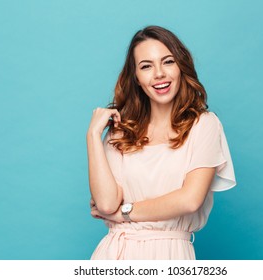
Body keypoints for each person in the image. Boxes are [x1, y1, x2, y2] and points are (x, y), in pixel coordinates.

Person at [87, 25, 236, 260]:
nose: (159, 74)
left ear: (180, 67)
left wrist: (124, 213)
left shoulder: (204, 125)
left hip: (171, 254)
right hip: (114, 255)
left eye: (167, 62)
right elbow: (106, 205)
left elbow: (190, 200)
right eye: (146, 66)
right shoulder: (121, 131)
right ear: (136, 78)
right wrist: (93, 135)